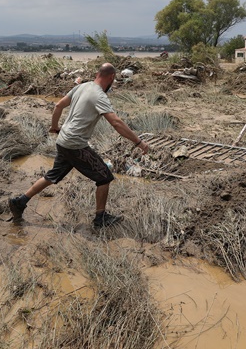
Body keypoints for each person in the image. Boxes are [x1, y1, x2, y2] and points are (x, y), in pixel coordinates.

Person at [8, 63, 149, 227]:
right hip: (75, 144)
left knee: (52, 175)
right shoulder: (99, 96)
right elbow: (116, 123)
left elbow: (58, 105)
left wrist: (54, 127)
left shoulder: (81, 87)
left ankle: (20, 202)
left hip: (63, 141)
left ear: (97, 74)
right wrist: (139, 142)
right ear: (111, 78)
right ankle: (100, 218)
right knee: (104, 177)